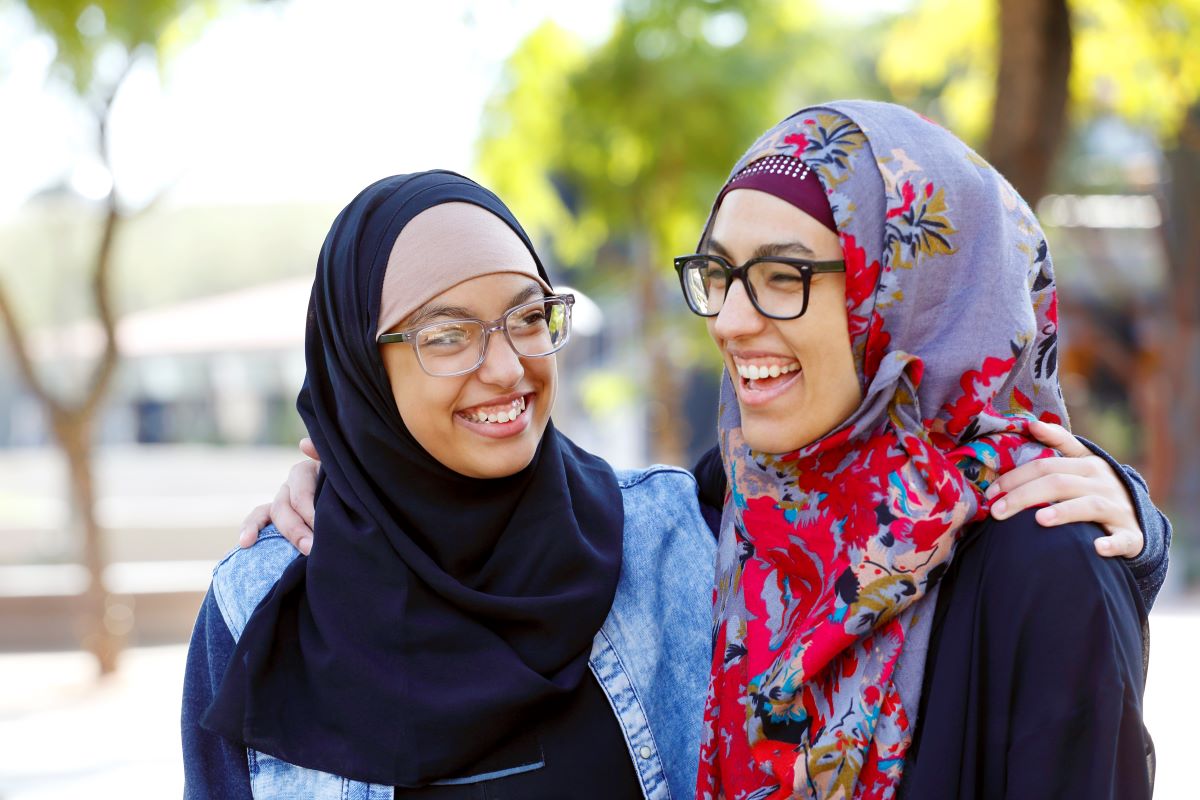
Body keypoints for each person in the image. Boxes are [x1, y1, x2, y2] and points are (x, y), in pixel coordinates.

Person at [182, 171, 717, 799]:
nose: (508, 367)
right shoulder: (259, 608)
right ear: (362, 371)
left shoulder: (667, 539)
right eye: (446, 335)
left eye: (527, 317)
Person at [690, 101, 1154, 798]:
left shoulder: (1048, 568)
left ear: (908, 293)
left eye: (783, 277)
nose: (729, 319)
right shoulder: (731, 509)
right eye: (719, 273)